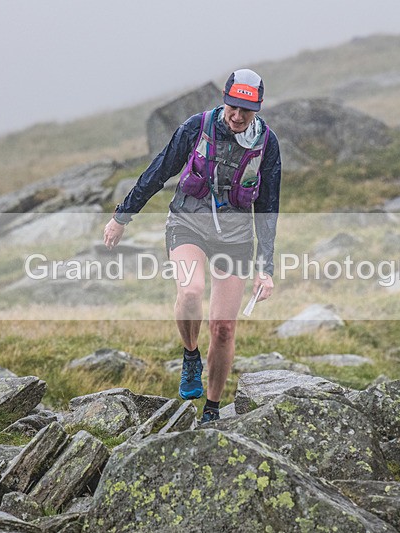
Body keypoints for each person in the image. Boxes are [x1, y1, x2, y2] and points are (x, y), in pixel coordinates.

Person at [103, 69, 281, 423]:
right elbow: (159, 171)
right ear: (224, 100)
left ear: (257, 109)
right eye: (233, 107)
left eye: (247, 110)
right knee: (190, 291)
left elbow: (268, 206)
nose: (238, 116)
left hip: (235, 237)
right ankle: (190, 355)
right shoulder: (196, 127)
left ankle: (211, 410)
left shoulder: (267, 143)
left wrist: (265, 268)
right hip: (188, 223)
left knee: (224, 329)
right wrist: (122, 216)